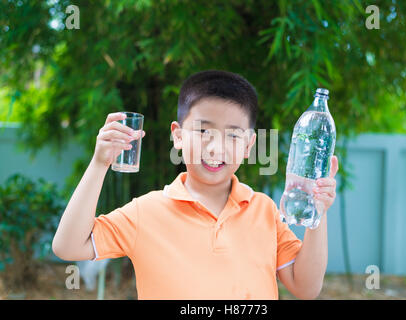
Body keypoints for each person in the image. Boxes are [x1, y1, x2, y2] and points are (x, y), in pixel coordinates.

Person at [52, 70, 339, 300]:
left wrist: (318, 212)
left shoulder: (264, 211)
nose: (215, 147)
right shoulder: (145, 212)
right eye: (203, 131)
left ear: (250, 145)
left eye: (233, 135)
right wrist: (99, 163)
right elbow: (68, 246)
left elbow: (306, 288)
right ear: (178, 136)